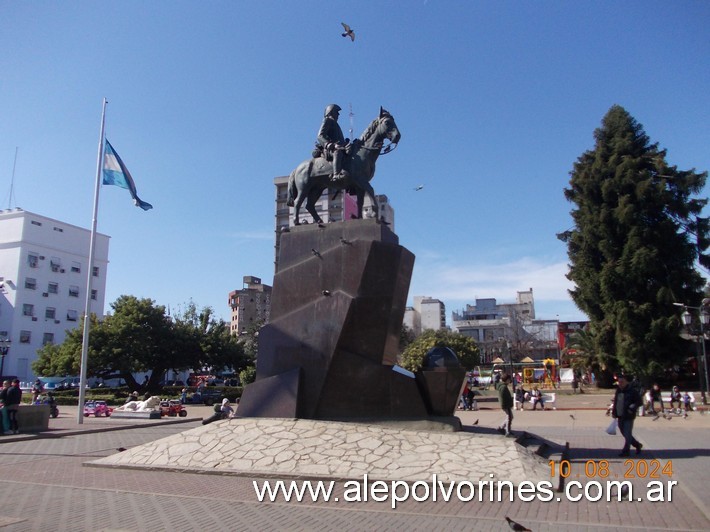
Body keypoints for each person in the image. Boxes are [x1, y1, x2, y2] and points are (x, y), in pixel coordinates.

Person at [316, 104, 349, 183]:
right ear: (331, 112)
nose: (338, 114)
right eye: (336, 112)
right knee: (338, 153)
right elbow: (320, 136)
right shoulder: (327, 120)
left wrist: (346, 143)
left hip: (340, 146)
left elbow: (339, 139)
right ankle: (336, 174)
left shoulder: (336, 124)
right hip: (331, 149)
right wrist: (328, 144)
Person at [612, 373, 642, 457]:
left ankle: (626, 450)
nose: (620, 384)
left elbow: (639, 402)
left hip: (628, 415)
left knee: (627, 432)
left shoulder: (632, 391)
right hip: (620, 415)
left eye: (622, 382)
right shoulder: (618, 390)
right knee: (624, 432)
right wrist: (614, 412)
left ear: (626, 382)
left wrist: (632, 407)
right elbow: (616, 402)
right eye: (619, 382)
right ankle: (637, 445)